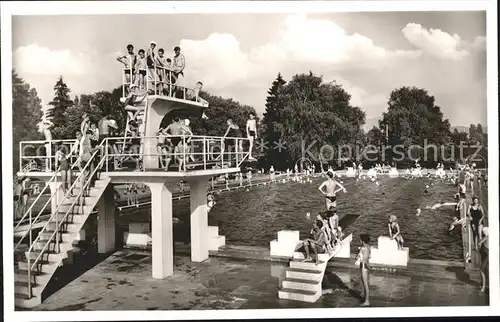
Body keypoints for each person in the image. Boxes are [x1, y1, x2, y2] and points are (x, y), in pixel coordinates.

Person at [356, 233, 371, 306]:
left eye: (360, 239)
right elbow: (368, 256)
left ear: (362, 241)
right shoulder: (368, 247)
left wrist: (359, 253)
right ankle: (366, 298)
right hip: (367, 266)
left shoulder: (362, 248)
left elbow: (359, 258)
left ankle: (367, 301)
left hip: (363, 267)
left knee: (365, 284)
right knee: (366, 283)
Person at [477, 226, 488, 292]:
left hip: (487, 255)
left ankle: (483, 287)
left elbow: (479, 243)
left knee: (482, 270)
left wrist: (480, 234)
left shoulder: (486, 237)